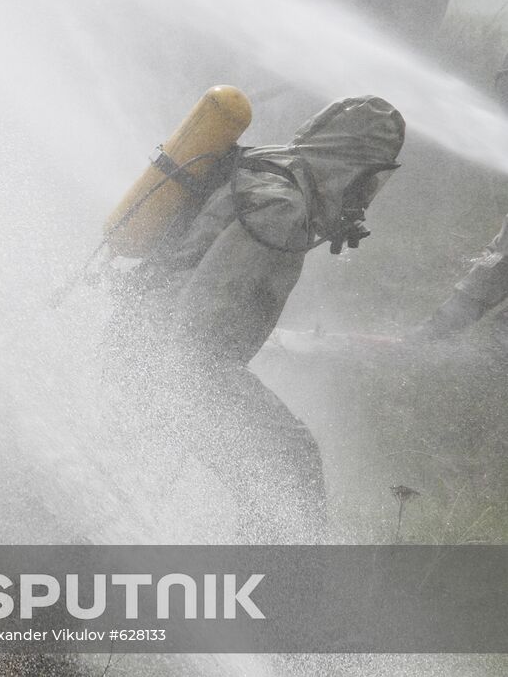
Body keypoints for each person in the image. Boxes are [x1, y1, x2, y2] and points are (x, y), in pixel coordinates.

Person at [111, 95, 406, 529]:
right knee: (291, 458)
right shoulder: (281, 210)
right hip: (156, 359)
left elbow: (207, 279)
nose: (367, 196)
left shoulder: (270, 162)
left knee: (269, 468)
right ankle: (284, 586)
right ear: (350, 166)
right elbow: (197, 331)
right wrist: (176, 405)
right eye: (370, 178)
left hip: (141, 337)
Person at [412, 214, 508, 348]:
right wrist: (491, 252)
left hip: (498, 265)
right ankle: (418, 342)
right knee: (456, 313)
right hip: (496, 268)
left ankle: (419, 342)